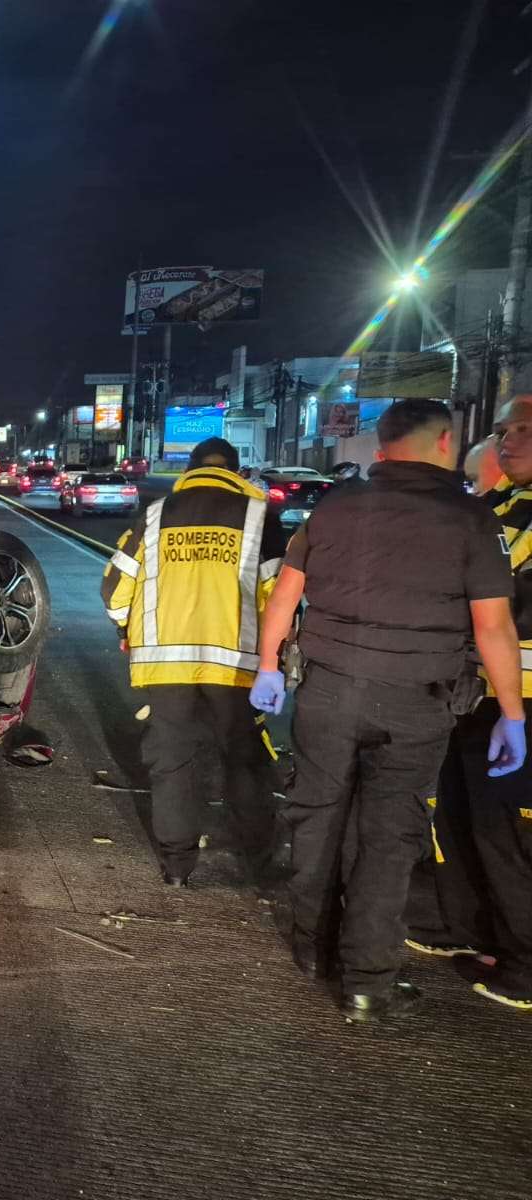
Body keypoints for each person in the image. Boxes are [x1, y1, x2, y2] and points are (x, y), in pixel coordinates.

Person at [250, 399, 526, 1023]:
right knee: (390, 836)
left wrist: (269, 666)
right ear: (445, 442)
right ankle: (365, 983)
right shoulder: (471, 520)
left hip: (326, 692)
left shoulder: (334, 506)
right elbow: (493, 627)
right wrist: (511, 712)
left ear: (382, 446)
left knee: (316, 818)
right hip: (416, 701)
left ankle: (311, 950)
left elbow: (284, 597)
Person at [101, 437, 286, 886]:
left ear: (191, 469)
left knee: (172, 761)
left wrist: (127, 630)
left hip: (165, 663)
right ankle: (258, 865)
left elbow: (114, 591)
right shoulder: (261, 518)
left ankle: (177, 866)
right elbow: (278, 595)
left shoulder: (156, 514)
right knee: (245, 759)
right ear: (237, 471)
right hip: (238, 666)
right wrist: (274, 659)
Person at [414, 395, 532, 1010]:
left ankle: (525, 963)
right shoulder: (503, 510)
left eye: (523, 430)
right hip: (481, 695)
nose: (508, 441)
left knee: (508, 834)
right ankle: (468, 927)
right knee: (462, 820)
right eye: (502, 430)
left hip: (520, 703)